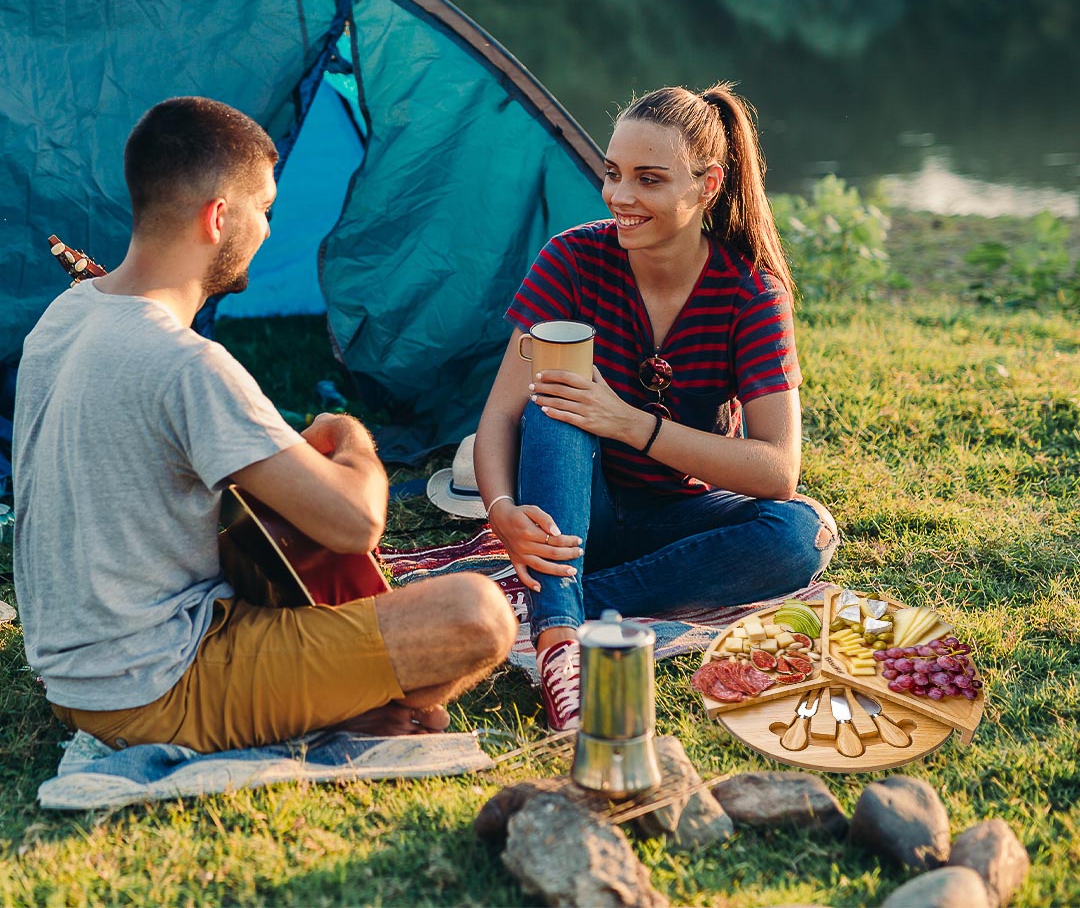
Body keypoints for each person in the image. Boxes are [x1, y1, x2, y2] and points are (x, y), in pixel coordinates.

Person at [13, 96, 516, 752]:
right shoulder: (185, 364)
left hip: (77, 673)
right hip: (153, 688)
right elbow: (354, 521)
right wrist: (352, 439)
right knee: (479, 615)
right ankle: (346, 706)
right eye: (266, 211)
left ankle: (340, 698)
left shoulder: (66, 315)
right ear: (219, 217)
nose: (270, 232)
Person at [474, 83, 838, 730]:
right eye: (614, 174)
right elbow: (501, 416)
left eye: (648, 179)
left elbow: (778, 470)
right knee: (553, 407)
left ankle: (571, 597)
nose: (620, 196)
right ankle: (560, 648)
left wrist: (631, 424)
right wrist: (501, 511)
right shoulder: (572, 260)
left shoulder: (751, 292)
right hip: (582, 505)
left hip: (682, 517)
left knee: (802, 533)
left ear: (707, 185)